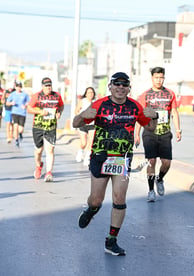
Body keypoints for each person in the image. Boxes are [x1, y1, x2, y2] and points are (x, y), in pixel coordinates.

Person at [73, 72, 158, 256]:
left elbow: (150, 128)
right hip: (100, 156)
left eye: (124, 85)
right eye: (117, 84)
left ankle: (111, 241)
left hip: (122, 158)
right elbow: (75, 123)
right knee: (96, 199)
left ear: (129, 88)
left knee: (119, 199)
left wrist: (155, 117)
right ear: (110, 86)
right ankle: (91, 210)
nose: (120, 87)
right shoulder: (100, 104)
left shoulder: (135, 106)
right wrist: (83, 115)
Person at [134, 67, 182, 202]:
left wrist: (178, 129)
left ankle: (159, 179)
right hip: (149, 132)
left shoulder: (170, 94)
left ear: (164, 78)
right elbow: (140, 116)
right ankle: (150, 191)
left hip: (165, 132)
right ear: (152, 78)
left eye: (161, 77)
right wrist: (136, 134)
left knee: (166, 162)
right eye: (156, 77)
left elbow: (174, 112)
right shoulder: (145, 95)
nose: (159, 80)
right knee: (151, 161)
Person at [27, 77, 64, 182]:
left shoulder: (57, 96)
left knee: (50, 150)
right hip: (38, 126)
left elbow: (61, 106)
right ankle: (38, 165)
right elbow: (29, 109)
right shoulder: (37, 96)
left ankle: (48, 173)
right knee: (38, 151)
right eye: (46, 86)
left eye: (49, 85)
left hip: (51, 126)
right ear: (42, 86)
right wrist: (40, 112)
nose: (48, 87)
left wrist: (59, 113)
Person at [75, 87, 96, 166]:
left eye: (92, 92)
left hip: (92, 125)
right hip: (83, 124)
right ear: (86, 94)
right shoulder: (82, 102)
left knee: (91, 142)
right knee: (84, 143)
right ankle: (80, 151)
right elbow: (76, 111)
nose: (90, 94)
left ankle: (87, 158)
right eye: (89, 92)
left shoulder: (95, 103)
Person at [6, 80, 30, 147]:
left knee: (21, 129)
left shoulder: (25, 94)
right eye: (17, 86)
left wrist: (25, 105)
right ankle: (16, 140)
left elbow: (29, 102)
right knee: (15, 126)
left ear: (21, 87)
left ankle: (20, 134)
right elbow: (7, 103)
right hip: (14, 112)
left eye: (20, 86)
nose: (18, 88)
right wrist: (11, 103)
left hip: (22, 113)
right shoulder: (12, 94)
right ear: (15, 87)